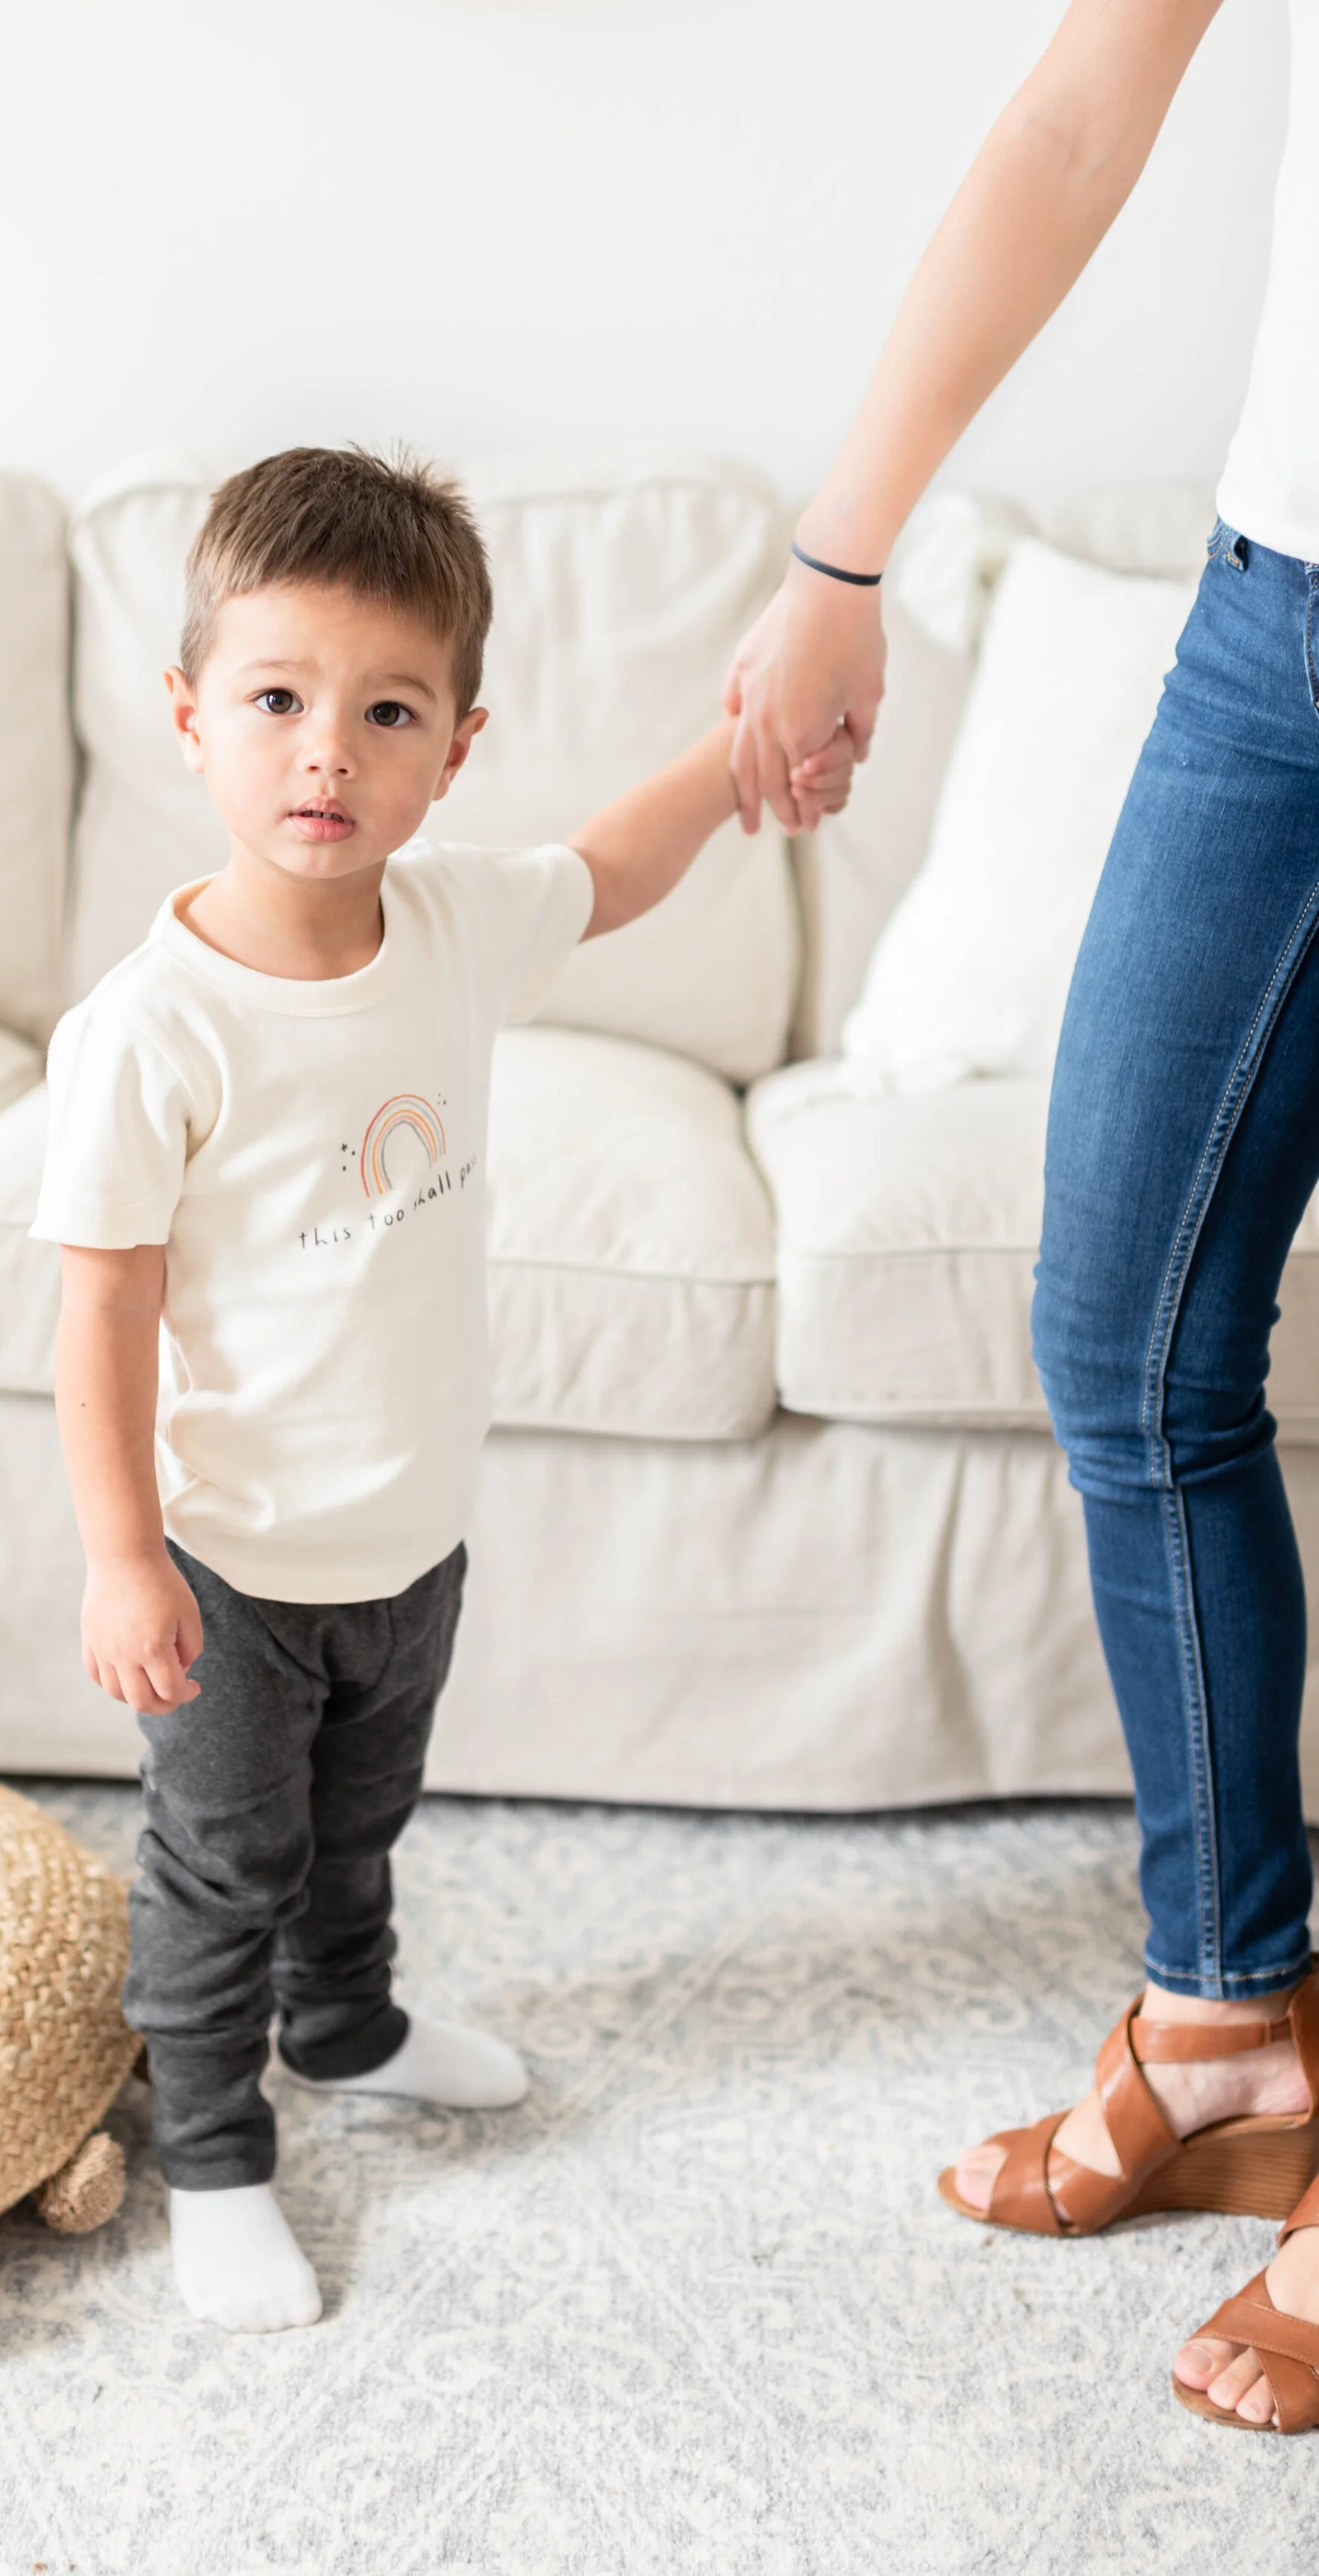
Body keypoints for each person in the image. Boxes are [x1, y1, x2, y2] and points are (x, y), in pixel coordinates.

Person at [34, 445, 854, 2333]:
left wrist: (746, 750)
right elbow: (96, 1310)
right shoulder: (151, 1027)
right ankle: (218, 2149)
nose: (325, 751)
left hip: (410, 1541)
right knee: (221, 1852)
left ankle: (350, 2022)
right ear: (190, 719)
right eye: (275, 700)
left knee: (359, 1822)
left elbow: (623, 864)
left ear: (452, 747)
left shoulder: (458, 924)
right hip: (232, 1558)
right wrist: (118, 1553)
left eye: (382, 710)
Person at [727, 0, 1319, 2432]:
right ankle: (1218, 2022)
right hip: (1284, 604)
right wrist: (841, 550)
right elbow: (1086, 96)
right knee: (1131, 1336)